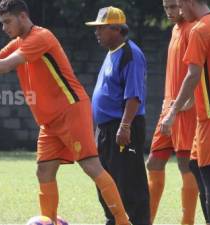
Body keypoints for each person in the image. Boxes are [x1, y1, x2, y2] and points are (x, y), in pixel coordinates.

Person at [0, 0, 130, 224]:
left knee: (91, 166)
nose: (4, 28)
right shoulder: (19, 42)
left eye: (7, 22)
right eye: (2, 23)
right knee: (43, 171)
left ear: (22, 16)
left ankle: (123, 221)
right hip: (49, 120)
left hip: (70, 109)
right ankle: (50, 220)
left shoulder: (40, 37)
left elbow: (5, 65)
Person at [161, 0, 210, 224]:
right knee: (195, 165)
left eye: (179, 5)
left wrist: (173, 110)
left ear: (189, 2)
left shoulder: (199, 30)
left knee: (209, 173)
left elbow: (192, 74)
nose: (179, 11)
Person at [85, 6, 149, 225]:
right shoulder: (111, 53)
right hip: (105, 129)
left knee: (130, 183)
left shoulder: (131, 54)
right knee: (106, 181)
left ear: (117, 29)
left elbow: (133, 96)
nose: (97, 33)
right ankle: (114, 220)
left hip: (122, 127)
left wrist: (125, 127)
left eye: (101, 28)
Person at [145, 0, 199, 224]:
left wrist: (188, 101)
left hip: (184, 109)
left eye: (174, 6)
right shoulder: (176, 29)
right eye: (166, 7)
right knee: (153, 163)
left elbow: (199, 70)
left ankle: (187, 222)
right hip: (168, 108)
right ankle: (145, 220)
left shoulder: (194, 29)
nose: (170, 12)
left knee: (185, 164)